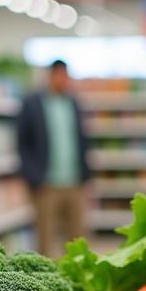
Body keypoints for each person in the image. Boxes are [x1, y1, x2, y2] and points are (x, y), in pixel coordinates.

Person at [16, 59, 90, 257]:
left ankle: (76, 280)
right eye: (59, 75)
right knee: (45, 239)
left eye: (66, 76)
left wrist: (86, 176)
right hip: (45, 185)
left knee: (77, 239)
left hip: (74, 182)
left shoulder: (73, 103)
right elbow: (21, 144)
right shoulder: (32, 104)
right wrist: (34, 178)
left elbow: (82, 140)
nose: (62, 80)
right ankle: (46, 282)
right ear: (50, 76)